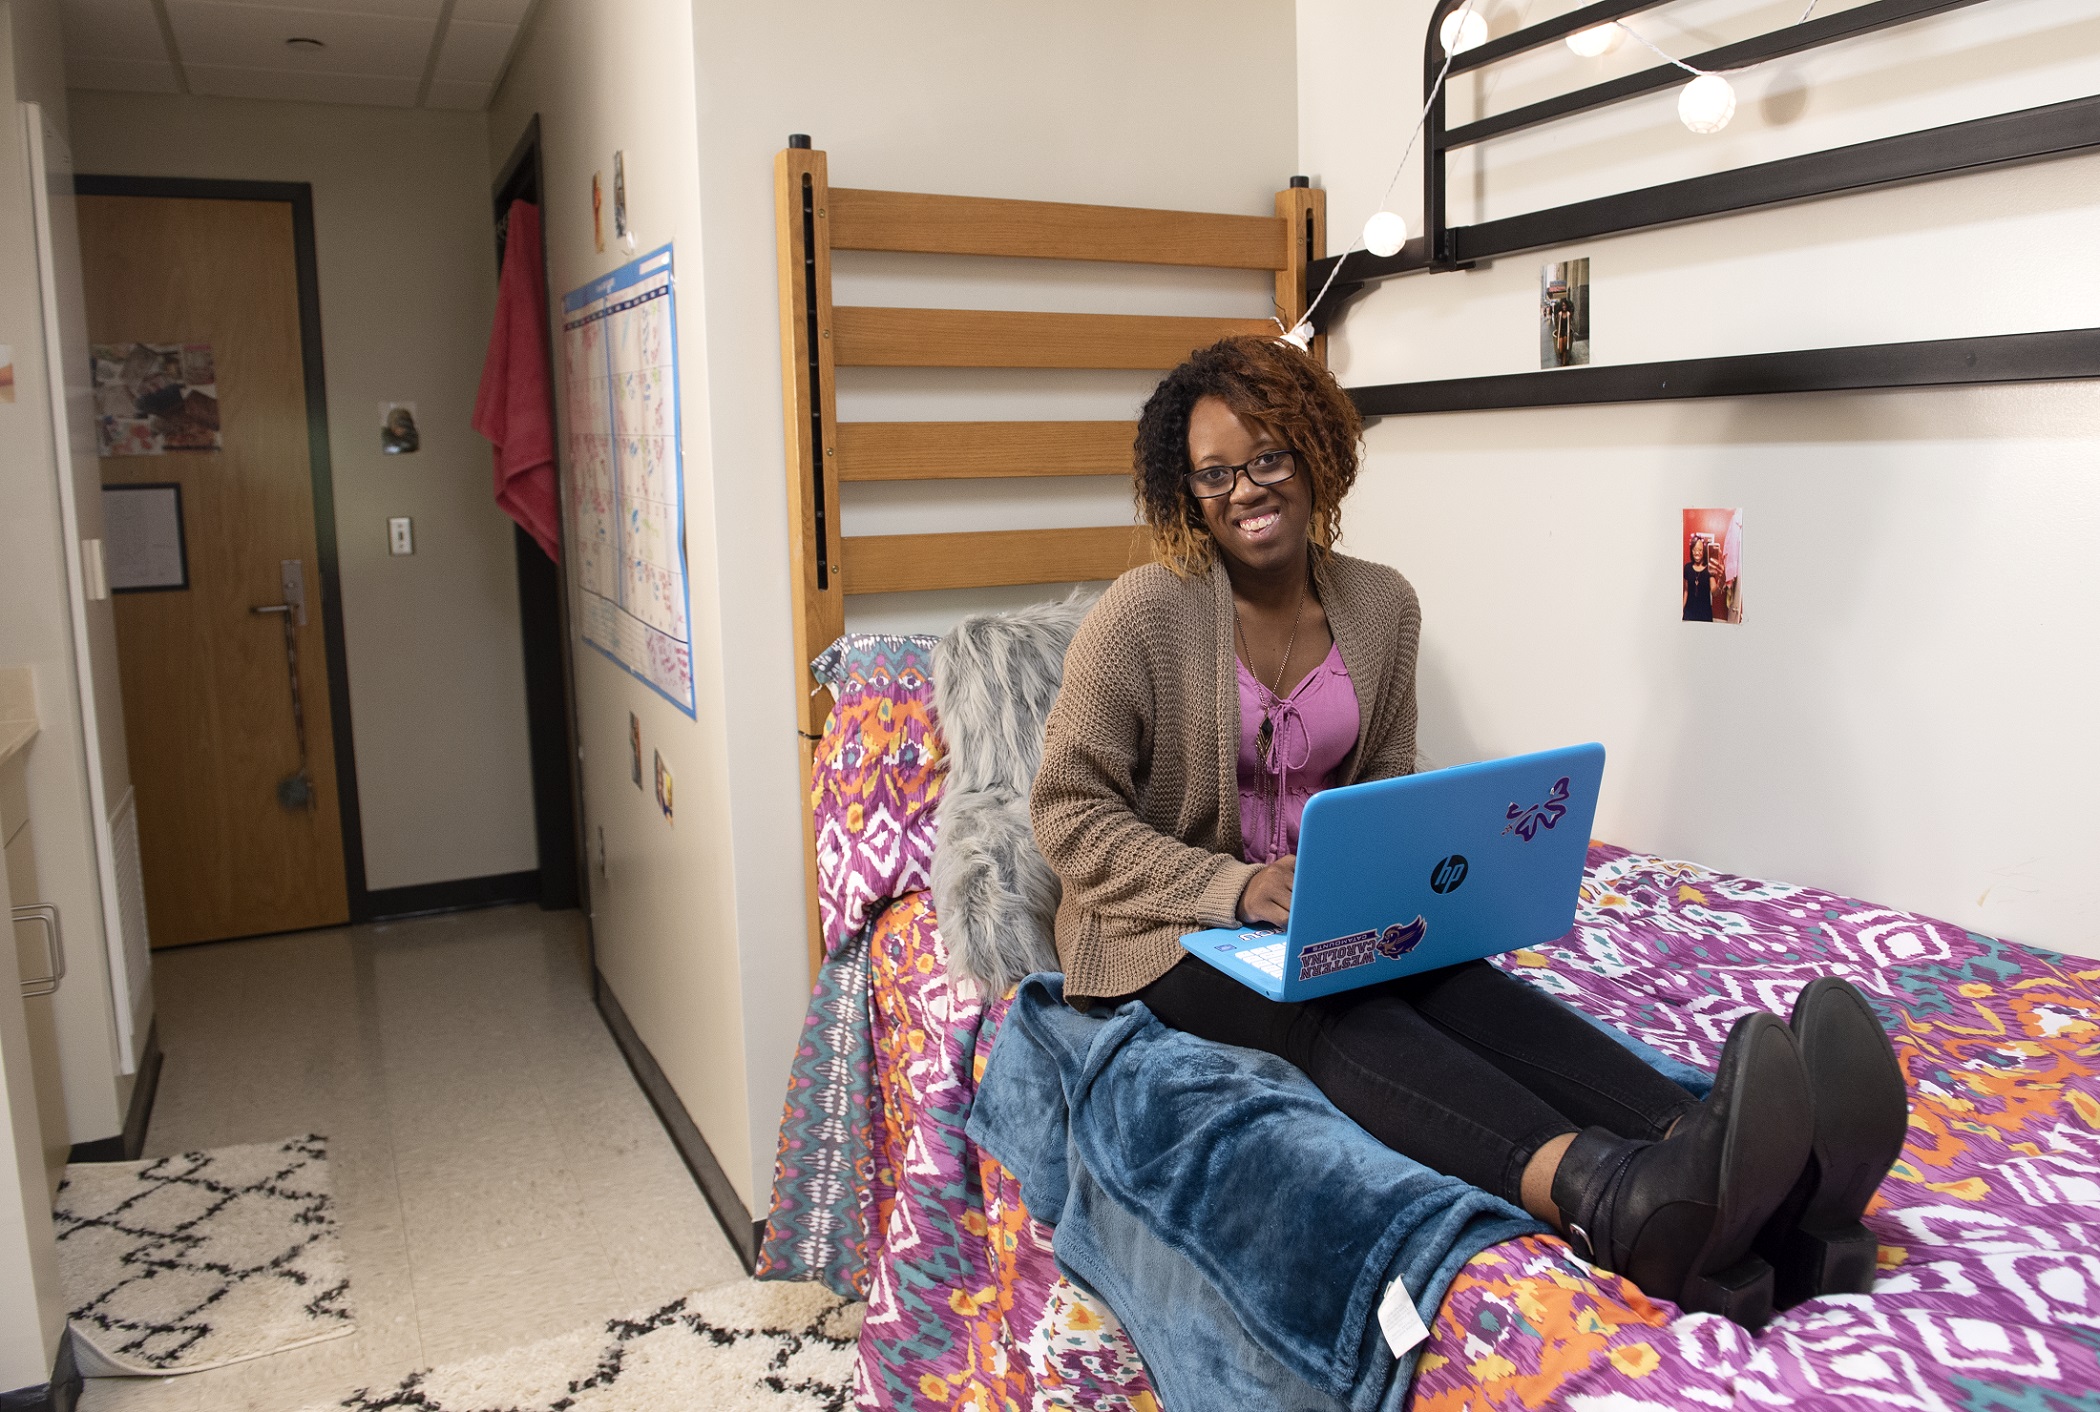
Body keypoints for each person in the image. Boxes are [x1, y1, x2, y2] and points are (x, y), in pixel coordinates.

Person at [1031, 336, 1908, 1325]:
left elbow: (1387, 790)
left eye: (1268, 456)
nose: (1244, 489)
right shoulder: (1143, 611)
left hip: (1318, 910)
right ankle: (1613, 1196)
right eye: (1216, 472)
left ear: (1316, 451)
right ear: (1185, 489)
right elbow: (1068, 813)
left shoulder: (1379, 602)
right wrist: (1232, 888)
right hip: (1166, 928)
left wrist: (1397, 890)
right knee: (1338, 1010)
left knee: (1454, 981)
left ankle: (1738, 1156)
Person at [1683, 536, 1716, 621]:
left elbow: (1714, 592)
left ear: (1704, 551)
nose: (1697, 553)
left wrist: (1721, 581)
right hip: (1689, 612)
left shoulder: (1709, 569)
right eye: (1694, 550)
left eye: (1700, 550)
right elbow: (1686, 590)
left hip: (1705, 613)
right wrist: (1682, 609)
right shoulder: (1687, 568)